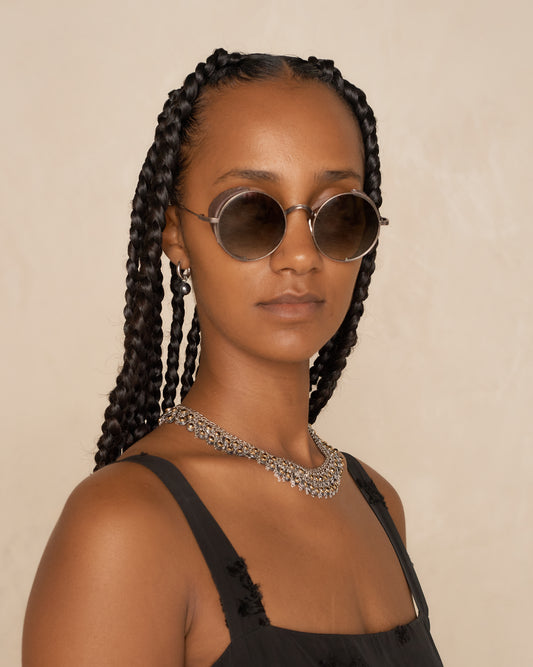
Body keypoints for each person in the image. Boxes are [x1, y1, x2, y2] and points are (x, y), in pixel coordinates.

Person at [23, 49, 443, 666]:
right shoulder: (124, 527)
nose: (300, 256)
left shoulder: (376, 504)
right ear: (175, 234)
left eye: (339, 214)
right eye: (250, 214)